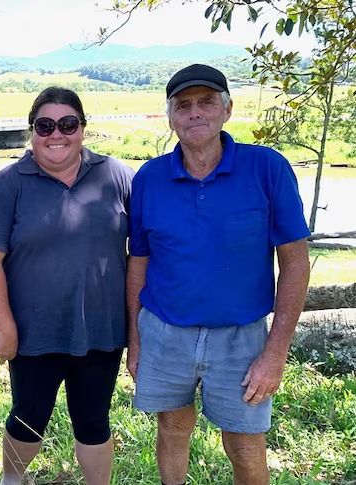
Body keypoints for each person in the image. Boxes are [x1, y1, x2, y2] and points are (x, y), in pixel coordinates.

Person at [127, 64, 311, 485]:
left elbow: (295, 262)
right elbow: (138, 261)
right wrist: (135, 342)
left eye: (206, 102)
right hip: (164, 330)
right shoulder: (150, 178)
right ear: (170, 116)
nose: (195, 113)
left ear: (227, 109)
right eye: (183, 105)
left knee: (245, 444)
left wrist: (276, 352)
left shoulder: (266, 168)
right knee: (172, 428)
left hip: (242, 337)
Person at [0, 87, 134, 485]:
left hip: (101, 328)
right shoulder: (9, 184)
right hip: (33, 331)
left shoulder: (116, 175)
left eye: (67, 124)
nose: (55, 134)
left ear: (82, 129)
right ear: (32, 131)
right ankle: (12, 478)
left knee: (94, 419)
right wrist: (4, 329)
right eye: (44, 125)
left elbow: (150, 248)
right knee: (28, 417)